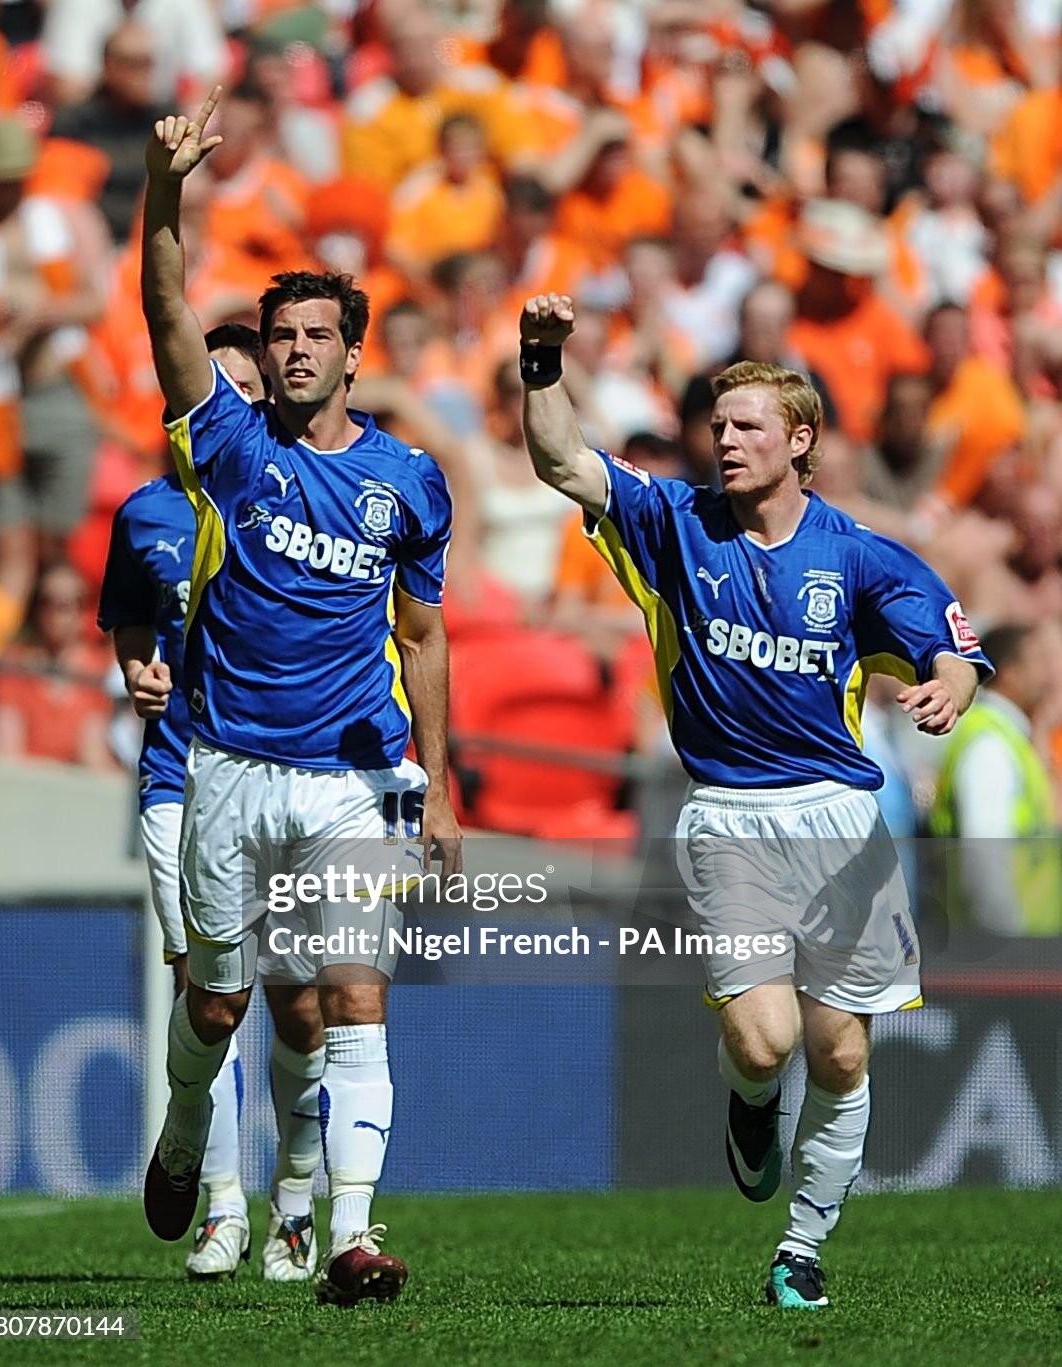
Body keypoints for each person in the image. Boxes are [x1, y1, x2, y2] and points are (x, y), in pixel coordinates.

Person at [519, 293, 989, 1308]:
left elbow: (946, 633)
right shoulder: (673, 522)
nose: (724, 441)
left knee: (842, 1045)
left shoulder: (855, 553)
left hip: (840, 817)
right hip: (729, 812)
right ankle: (747, 1103)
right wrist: (541, 362)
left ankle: (802, 1248)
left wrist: (953, 677)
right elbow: (564, 462)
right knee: (764, 1040)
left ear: (800, 439)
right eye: (718, 426)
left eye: (747, 427)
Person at [138, 90, 461, 1310]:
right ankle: (182, 1136)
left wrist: (439, 777)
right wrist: (169, 190)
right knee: (218, 999)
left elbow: (423, 634)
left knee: (350, 992)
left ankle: (352, 1236)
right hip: (226, 761)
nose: (295, 351)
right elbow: (169, 302)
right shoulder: (225, 443)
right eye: (280, 336)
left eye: (316, 335)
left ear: (350, 349)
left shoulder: (407, 478)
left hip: (352, 772)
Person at [98, 325, 327, 1282]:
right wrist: (138, 675)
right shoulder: (146, 513)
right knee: (215, 996)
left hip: (294, 776)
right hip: (181, 779)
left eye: (245, 384)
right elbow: (133, 624)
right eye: (214, 385)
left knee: (306, 1009)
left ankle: (299, 1206)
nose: (228, 400)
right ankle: (220, 1205)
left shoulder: (298, 502)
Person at [931, 623, 1061, 935]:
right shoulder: (990, 744)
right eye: (1037, 662)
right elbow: (984, 858)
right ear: (1009, 673)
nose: (1048, 676)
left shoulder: (1013, 739)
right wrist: (1005, 946)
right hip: (1003, 953)